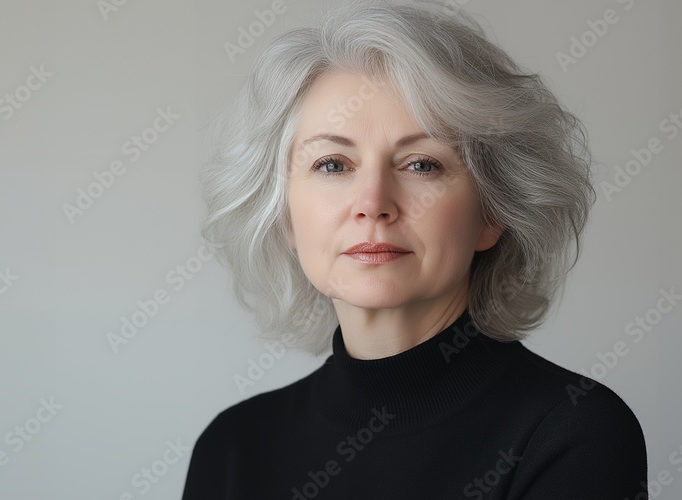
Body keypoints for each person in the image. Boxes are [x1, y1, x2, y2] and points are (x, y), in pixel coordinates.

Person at [183, 1, 647, 498]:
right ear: (285, 216)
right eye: (333, 165)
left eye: (421, 165)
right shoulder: (233, 448)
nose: (373, 204)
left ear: (493, 212)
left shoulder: (573, 434)